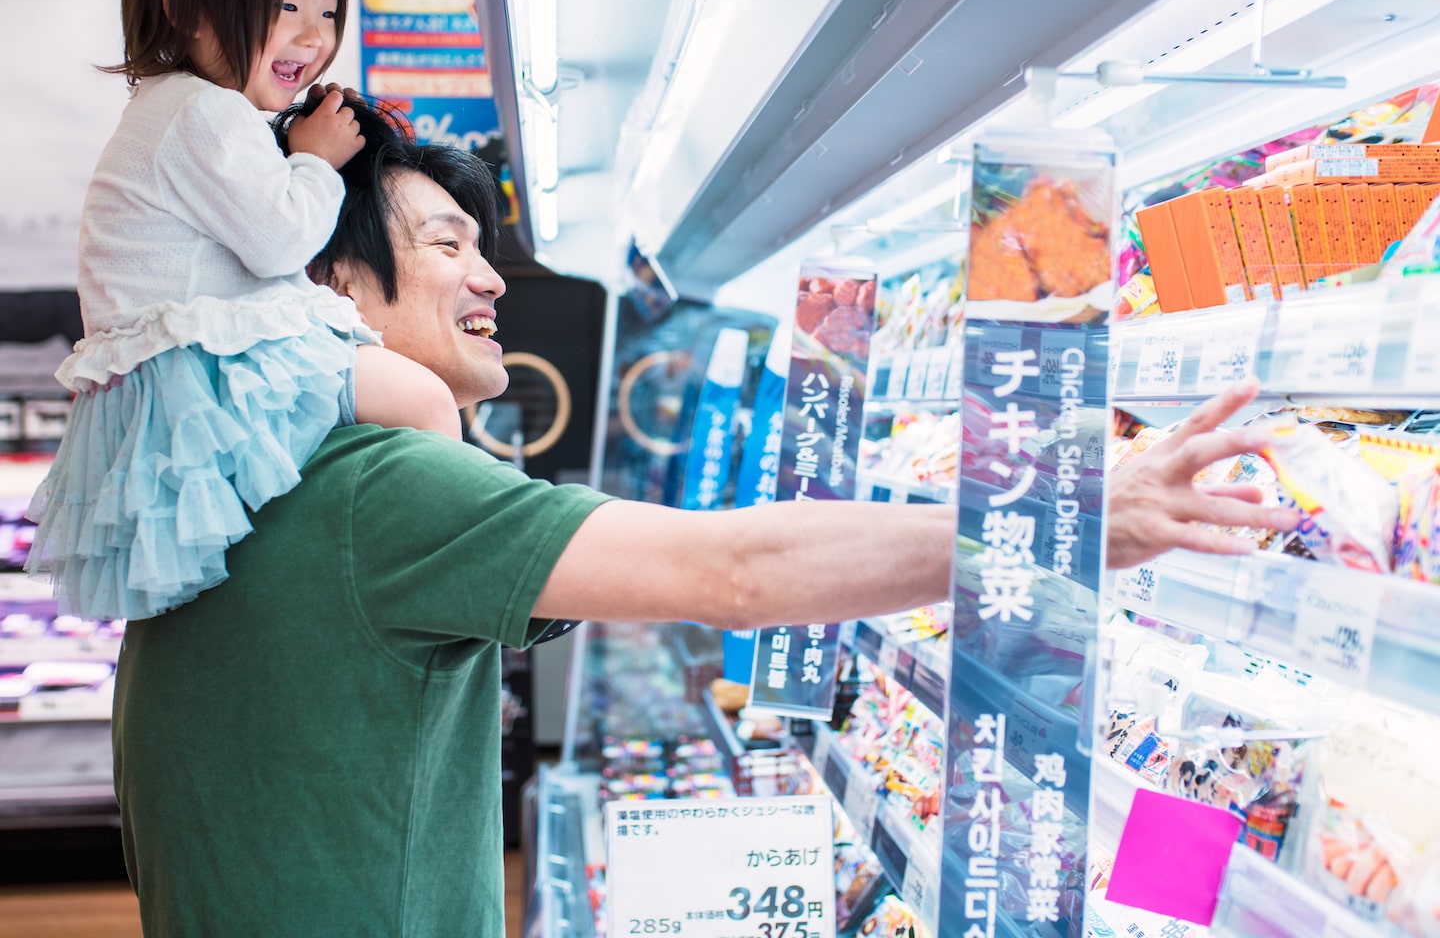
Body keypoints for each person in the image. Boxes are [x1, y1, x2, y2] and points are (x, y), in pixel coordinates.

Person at [111, 96, 1295, 937]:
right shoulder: (379, 489)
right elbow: (739, 570)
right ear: (326, 281)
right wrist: (1064, 521)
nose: (489, 279)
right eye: (446, 245)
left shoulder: (252, 473)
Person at [24, 0, 459, 623]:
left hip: (172, 387)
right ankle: (450, 570)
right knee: (422, 398)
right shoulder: (203, 112)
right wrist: (315, 161)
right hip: (210, 373)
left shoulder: (173, 109)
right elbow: (277, 240)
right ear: (186, 8)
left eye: (327, 9)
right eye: (287, 5)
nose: (313, 35)